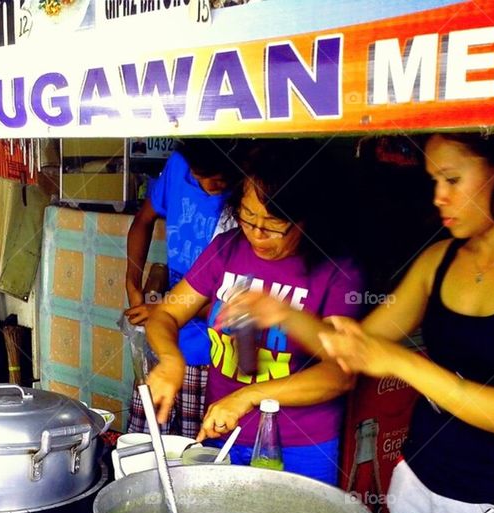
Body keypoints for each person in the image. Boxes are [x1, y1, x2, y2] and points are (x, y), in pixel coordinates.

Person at [224, 133, 494, 513]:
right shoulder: (438, 259)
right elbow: (352, 347)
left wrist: (401, 362)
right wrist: (282, 313)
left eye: (453, 179)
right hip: (418, 484)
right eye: (433, 179)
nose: (438, 196)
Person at [144, 141, 364, 483]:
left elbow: (340, 374)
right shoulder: (227, 249)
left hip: (301, 446)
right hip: (224, 434)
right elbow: (166, 315)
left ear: (307, 217)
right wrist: (171, 359)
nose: (257, 234)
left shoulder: (337, 270)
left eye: (274, 223)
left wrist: (247, 398)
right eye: (247, 216)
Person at [124, 139, 240, 438]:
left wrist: (167, 309)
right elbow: (142, 221)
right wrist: (132, 283)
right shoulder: (179, 165)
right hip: (165, 348)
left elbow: (236, 304)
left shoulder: (245, 206)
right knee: (144, 447)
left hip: (211, 356)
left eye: (217, 179)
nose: (207, 186)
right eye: (199, 177)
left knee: (193, 454)